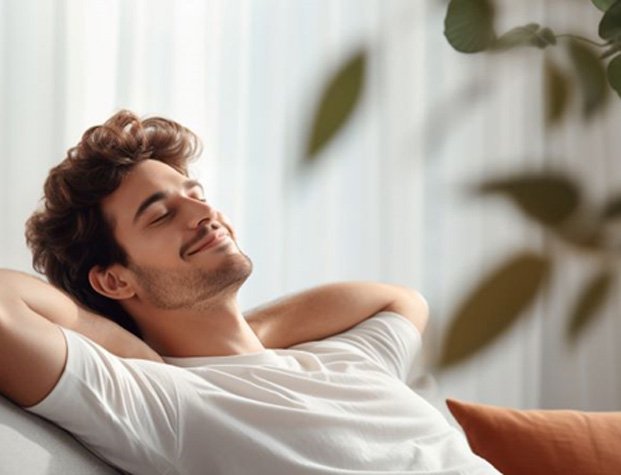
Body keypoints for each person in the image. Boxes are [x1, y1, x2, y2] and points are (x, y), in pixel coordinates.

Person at [0, 111, 500, 475]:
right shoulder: (166, 403)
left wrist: (251, 334)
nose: (204, 215)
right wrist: (132, 350)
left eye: (195, 196)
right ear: (114, 280)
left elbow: (403, 301)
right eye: (161, 214)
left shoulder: (342, 358)